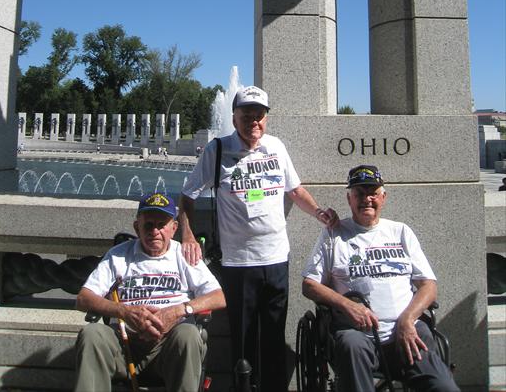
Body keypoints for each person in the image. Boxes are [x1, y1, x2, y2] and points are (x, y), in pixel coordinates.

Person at [179, 85, 338, 392]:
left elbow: (295, 190)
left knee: (275, 337)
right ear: (234, 117)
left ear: (266, 118)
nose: (254, 121)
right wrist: (186, 233)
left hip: (277, 259)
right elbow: (187, 195)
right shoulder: (218, 150)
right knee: (244, 341)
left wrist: (319, 212)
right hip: (238, 263)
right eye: (246, 115)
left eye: (260, 115)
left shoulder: (276, 147)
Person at [302, 164, 460, 392]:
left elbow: (428, 285)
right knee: (350, 345)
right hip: (358, 335)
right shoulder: (334, 234)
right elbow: (309, 285)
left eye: (373, 193)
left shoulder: (400, 231)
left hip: (409, 330)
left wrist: (408, 319)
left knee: (443, 386)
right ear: (349, 199)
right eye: (359, 193)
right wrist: (347, 305)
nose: (367, 199)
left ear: (383, 197)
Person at [73, 192, 226, 392]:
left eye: (161, 225)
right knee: (91, 333)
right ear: (137, 227)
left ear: (173, 228)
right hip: (124, 343)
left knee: (188, 334)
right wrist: (124, 312)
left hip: (169, 347)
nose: (155, 231)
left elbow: (219, 297)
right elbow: (83, 298)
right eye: (148, 225)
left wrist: (179, 310)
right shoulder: (118, 256)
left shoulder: (184, 255)